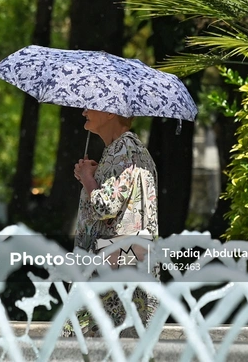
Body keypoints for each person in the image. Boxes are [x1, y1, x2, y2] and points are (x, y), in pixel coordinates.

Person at [63, 108, 159, 337]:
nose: (85, 110)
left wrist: (87, 179)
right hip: (127, 259)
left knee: (93, 345)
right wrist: (94, 178)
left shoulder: (122, 148)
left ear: (111, 113)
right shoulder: (131, 148)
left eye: (92, 104)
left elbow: (106, 207)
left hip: (111, 262)